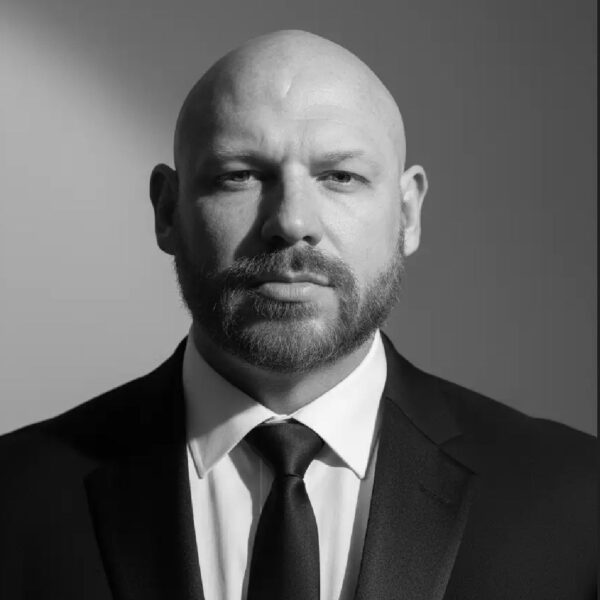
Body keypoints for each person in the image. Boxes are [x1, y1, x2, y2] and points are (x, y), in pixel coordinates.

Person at [0, 29, 595, 600]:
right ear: (166, 211)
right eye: (239, 176)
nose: (291, 222)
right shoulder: (16, 496)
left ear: (408, 213)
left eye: (340, 176)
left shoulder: (577, 500)